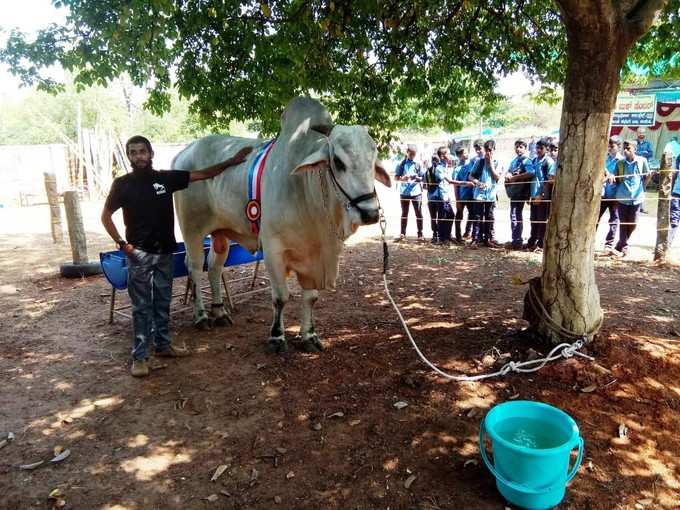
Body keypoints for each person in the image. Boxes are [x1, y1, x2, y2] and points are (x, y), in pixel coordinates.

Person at [101, 136, 252, 377]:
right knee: (141, 307)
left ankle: (162, 345)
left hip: (165, 253)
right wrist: (122, 244)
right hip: (139, 255)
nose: (138, 156)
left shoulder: (165, 179)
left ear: (151, 154)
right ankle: (139, 358)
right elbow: (106, 216)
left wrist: (232, 161)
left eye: (142, 151)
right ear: (129, 157)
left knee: (162, 302)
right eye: (133, 152)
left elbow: (202, 174)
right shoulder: (122, 184)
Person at [612, 139, 650, 257]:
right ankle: (624, 247)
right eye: (624, 148)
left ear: (635, 149)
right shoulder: (620, 163)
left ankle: (621, 244)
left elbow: (647, 176)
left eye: (628, 148)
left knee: (633, 223)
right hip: (622, 197)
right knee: (623, 223)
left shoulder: (642, 161)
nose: (625, 151)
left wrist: (642, 188)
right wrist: (613, 177)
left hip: (637, 198)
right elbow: (616, 176)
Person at [468, 139, 502, 248]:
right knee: (477, 217)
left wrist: (491, 164)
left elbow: (497, 177)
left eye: (490, 150)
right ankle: (475, 239)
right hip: (479, 195)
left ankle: (487, 239)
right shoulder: (479, 161)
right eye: (487, 150)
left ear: (494, 150)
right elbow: (471, 176)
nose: (488, 153)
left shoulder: (497, 162)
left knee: (489, 217)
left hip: (491, 195)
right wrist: (478, 183)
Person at [525, 139, 553, 252]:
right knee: (533, 219)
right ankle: (532, 240)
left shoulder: (549, 162)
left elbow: (549, 181)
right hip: (533, 194)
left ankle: (541, 244)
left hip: (543, 196)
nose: (538, 150)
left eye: (541, 148)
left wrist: (541, 195)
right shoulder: (534, 161)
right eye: (537, 148)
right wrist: (530, 195)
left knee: (542, 220)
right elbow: (530, 179)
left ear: (546, 149)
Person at [504, 139, 532, 249]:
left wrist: (515, 177)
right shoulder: (514, 161)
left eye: (521, 147)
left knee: (515, 215)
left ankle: (517, 241)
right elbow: (509, 171)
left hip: (521, 192)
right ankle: (516, 240)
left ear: (525, 149)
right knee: (514, 215)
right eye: (516, 147)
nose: (518, 149)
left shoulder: (526, 161)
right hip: (514, 192)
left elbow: (531, 172)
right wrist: (508, 174)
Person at [597, 138, 623, 251]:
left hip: (615, 195)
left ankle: (609, 243)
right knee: (595, 218)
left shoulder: (622, 161)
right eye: (609, 146)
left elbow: (623, 178)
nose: (610, 148)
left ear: (619, 147)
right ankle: (590, 239)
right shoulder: (604, 158)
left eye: (612, 146)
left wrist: (612, 175)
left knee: (614, 220)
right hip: (602, 193)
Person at [394, 145, 425, 242]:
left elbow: (423, 177)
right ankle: (402, 233)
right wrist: (403, 178)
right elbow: (396, 177)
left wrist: (416, 178)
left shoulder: (418, 164)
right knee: (404, 213)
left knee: (419, 213)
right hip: (404, 192)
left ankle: (420, 234)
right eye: (411, 154)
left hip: (416, 192)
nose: (412, 156)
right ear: (407, 152)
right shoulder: (401, 164)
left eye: (414, 155)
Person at [434, 149, 456, 244]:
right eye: (448, 153)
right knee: (443, 216)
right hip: (441, 197)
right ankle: (442, 238)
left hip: (446, 196)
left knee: (450, 215)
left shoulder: (446, 167)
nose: (450, 155)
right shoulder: (439, 168)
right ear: (442, 156)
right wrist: (466, 183)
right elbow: (449, 181)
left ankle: (447, 235)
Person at [453, 147, 474, 243]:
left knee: (472, 214)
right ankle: (458, 236)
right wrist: (457, 199)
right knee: (459, 215)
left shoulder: (472, 164)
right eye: (464, 153)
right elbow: (455, 185)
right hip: (462, 196)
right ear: (459, 156)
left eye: (466, 152)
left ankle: (467, 233)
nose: (466, 154)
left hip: (472, 194)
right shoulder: (457, 169)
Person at [425, 151, 443, 243]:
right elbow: (441, 179)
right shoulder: (438, 170)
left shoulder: (427, 171)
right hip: (438, 196)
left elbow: (424, 185)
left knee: (433, 217)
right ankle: (438, 235)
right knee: (439, 217)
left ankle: (434, 235)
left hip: (430, 197)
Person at [668, 154, 680, 248]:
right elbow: (674, 173)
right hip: (677, 191)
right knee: (674, 219)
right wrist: (670, 191)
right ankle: (667, 243)